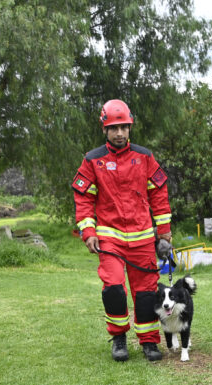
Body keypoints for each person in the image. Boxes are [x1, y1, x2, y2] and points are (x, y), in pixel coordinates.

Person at [72, 99, 173, 362]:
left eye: (124, 128)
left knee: (146, 294)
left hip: (142, 239)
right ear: (104, 129)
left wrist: (164, 234)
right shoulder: (92, 160)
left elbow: (159, 195)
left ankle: (149, 342)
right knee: (114, 288)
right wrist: (88, 231)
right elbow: (83, 200)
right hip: (110, 239)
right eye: (114, 128)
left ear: (130, 128)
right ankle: (118, 338)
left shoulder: (145, 157)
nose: (119, 133)